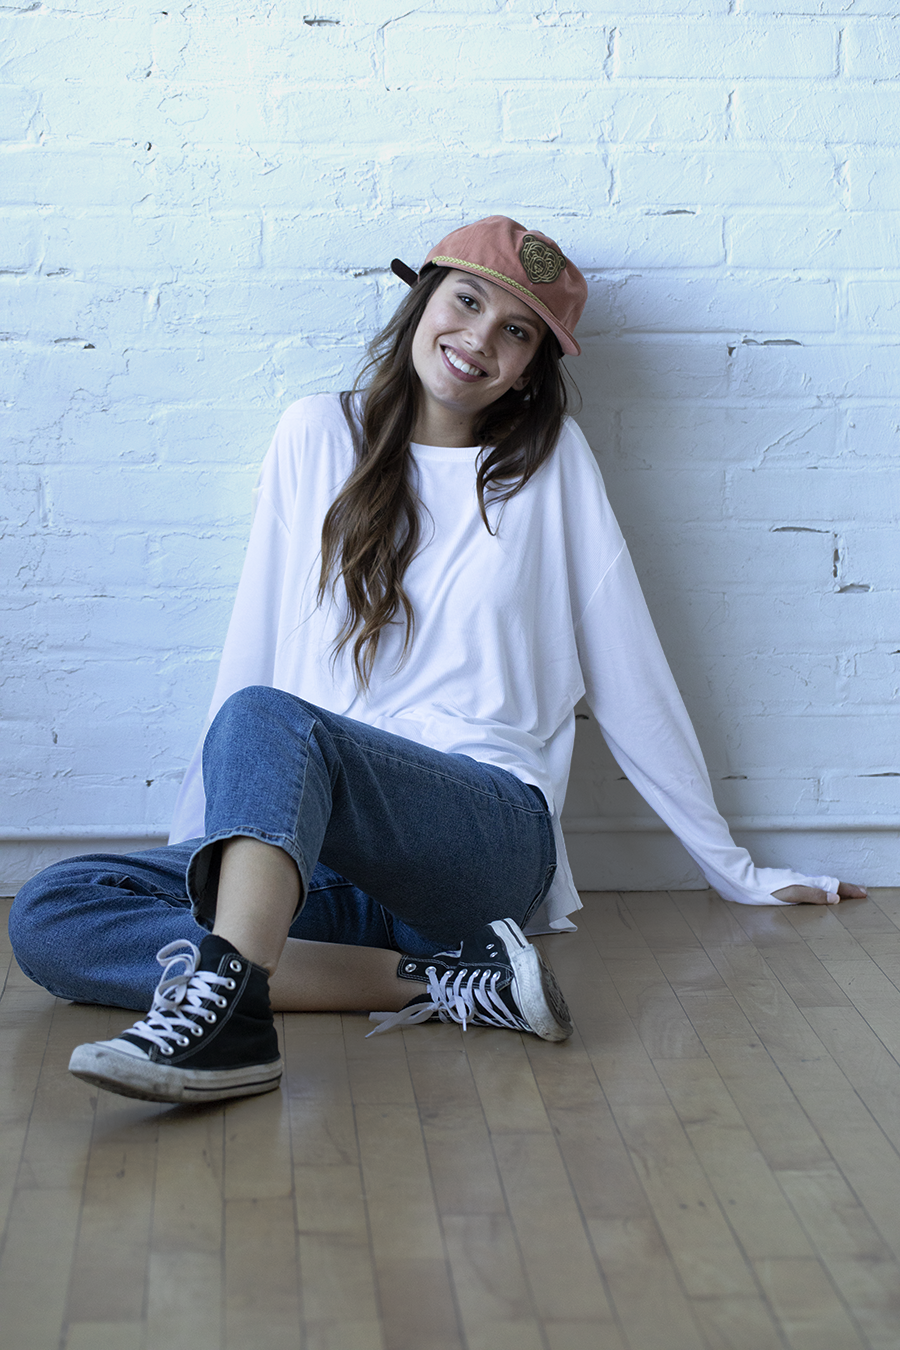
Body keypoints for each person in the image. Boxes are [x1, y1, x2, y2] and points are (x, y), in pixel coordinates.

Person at [10, 216, 865, 1106]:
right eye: (467, 301)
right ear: (423, 301)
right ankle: (449, 981)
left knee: (268, 718)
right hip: (317, 858)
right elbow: (253, 642)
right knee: (54, 913)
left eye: (516, 330)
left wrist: (733, 868)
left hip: (482, 839)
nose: (480, 339)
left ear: (531, 366)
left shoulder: (549, 465)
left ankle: (231, 1024)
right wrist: (214, 847)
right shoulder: (314, 434)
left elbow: (629, 672)